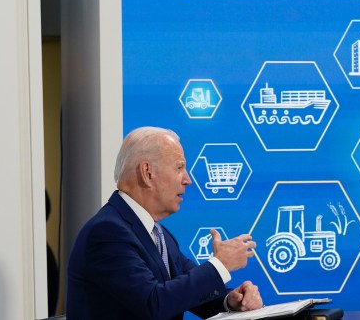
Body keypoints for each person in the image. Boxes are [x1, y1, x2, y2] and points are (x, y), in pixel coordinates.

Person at [67, 126, 263, 320]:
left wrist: (231, 300)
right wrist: (220, 264)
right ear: (147, 173)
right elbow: (154, 304)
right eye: (179, 168)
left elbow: (189, 295)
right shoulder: (107, 232)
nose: (188, 180)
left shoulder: (159, 234)